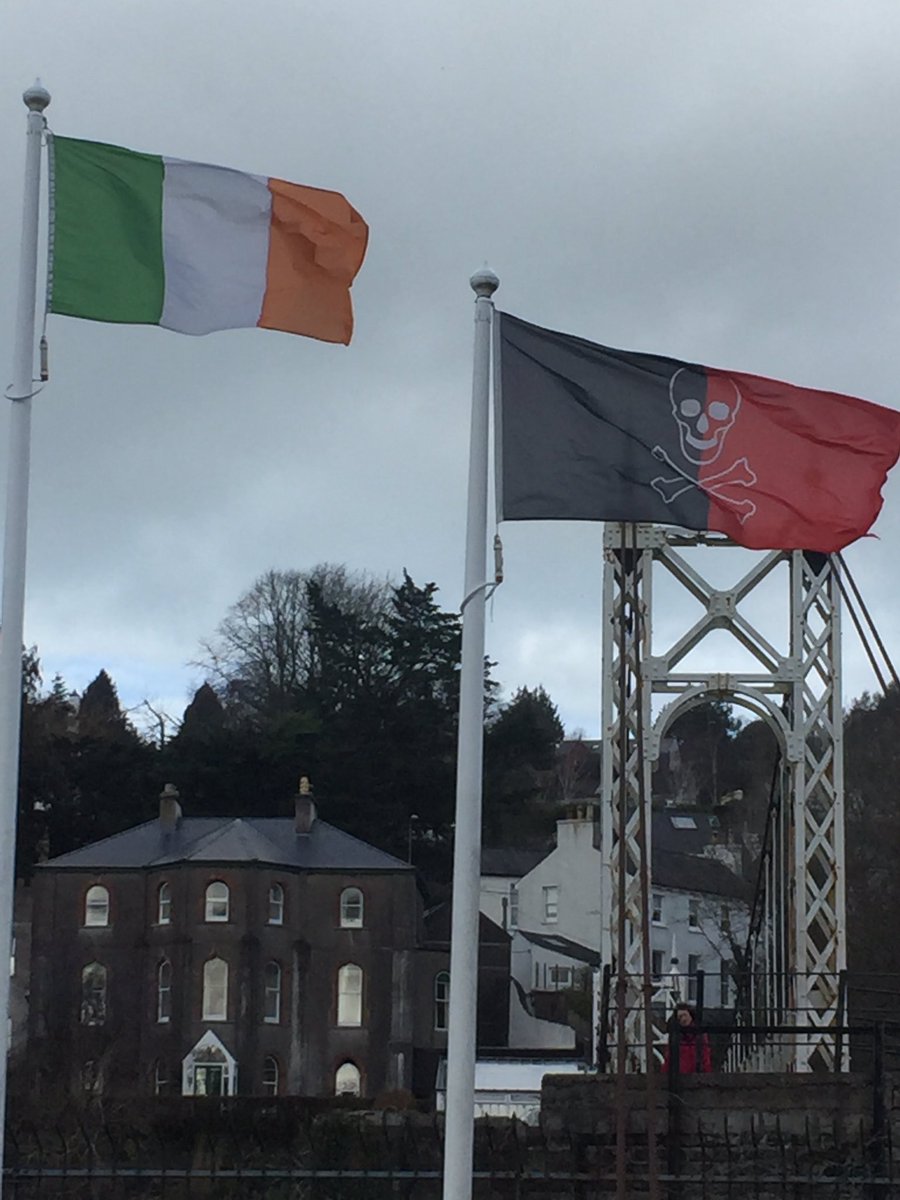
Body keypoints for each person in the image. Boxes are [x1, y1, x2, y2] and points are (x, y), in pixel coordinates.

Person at [661, 1002, 712, 1074]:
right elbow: (669, 1059)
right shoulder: (675, 1037)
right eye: (680, 1017)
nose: (683, 1019)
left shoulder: (700, 1036)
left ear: (690, 1015)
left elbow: (705, 1058)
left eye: (684, 1015)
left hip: (695, 1075)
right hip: (682, 1077)